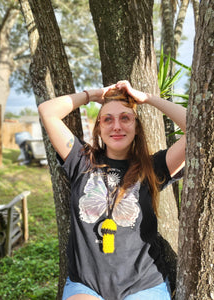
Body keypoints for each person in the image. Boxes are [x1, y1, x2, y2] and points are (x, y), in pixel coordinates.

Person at [38, 80, 186, 300]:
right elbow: (47, 111)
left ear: (136, 127)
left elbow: (199, 128)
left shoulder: (153, 167)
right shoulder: (81, 161)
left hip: (143, 285)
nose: (116, 126)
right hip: (86, 286)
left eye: (125, 118)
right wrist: (93, 95)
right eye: (108, 119)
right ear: (99, 128)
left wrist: (146, 98)